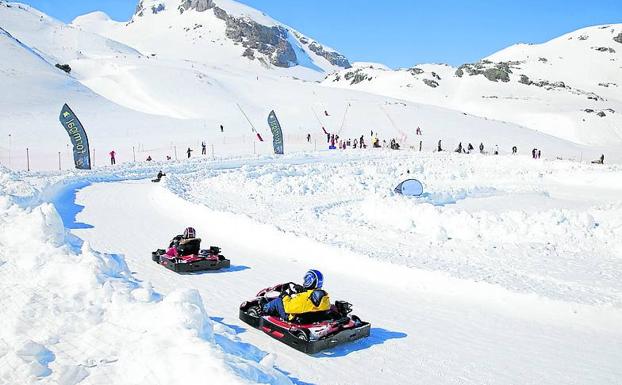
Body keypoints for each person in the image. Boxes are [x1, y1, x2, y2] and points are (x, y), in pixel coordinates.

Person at [262, 270, 330, 321]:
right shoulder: (323, 295)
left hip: (293, 317)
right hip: (312, 316)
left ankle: (264, 309)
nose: (305, 282)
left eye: (307, 280)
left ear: (311, 282)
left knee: (278, 301)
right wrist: (303, 290)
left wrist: (285, 297)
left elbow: (288, 308)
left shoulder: (305, 297)